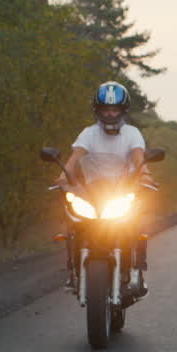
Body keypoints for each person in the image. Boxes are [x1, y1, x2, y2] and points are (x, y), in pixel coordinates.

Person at [58, 81, 155, 295]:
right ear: (97, 110)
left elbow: (139, 158)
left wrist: (145, 176)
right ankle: (72, 270)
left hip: (122, 192)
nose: (110, 114)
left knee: (136, 225)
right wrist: (63, 177)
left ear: (123, 111)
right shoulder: (88, 134)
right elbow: (75, 158)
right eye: (105, 109)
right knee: (73, 223)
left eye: (115, 109)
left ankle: (136, 270)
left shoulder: (132, 134)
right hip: (92, 194)